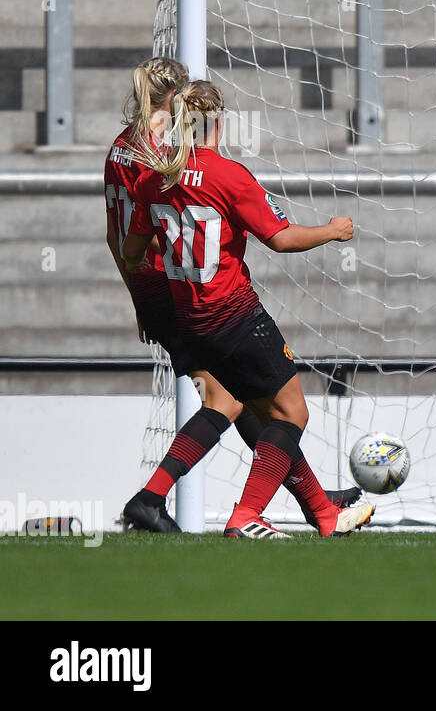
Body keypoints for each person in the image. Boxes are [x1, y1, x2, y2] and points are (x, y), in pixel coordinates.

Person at [108, 58, 360, 534]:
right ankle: (245, 515)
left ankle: (321, 509)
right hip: (235, 315)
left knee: (251, 405)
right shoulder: (230, 175)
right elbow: (281, 239)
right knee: (288, 412)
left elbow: (131, 246)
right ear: (217, 122)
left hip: (188, 318)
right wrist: (331, 230)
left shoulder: (151, 176)